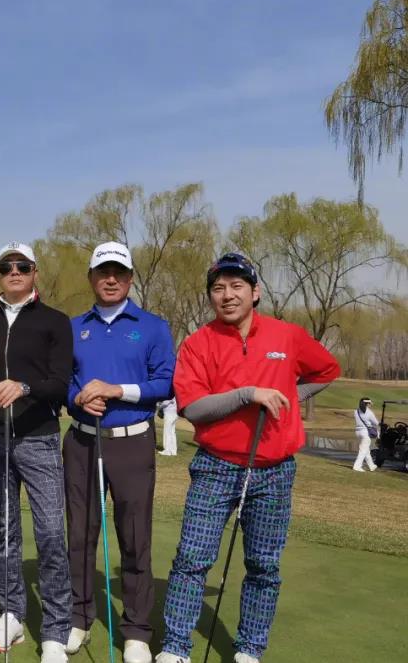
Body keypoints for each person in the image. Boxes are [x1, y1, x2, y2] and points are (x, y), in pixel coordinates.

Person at [155, 253, 340, 663]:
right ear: (210, 296)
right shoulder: (198, 343)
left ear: (254, 292)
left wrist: (289, 396)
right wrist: (248, 395)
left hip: (274, 470)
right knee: (192, 559)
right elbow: (193, 407)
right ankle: (175, 647)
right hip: (216, 466)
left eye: (237, 286)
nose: (227, 295)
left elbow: (327, 371)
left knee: (263, 565)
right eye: (218, 288)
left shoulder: (286, 336)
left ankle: (250, 648)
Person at [64, 241, 175, 663]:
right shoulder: (74, 327)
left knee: (134, 537)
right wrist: (77, 398)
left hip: (132, 442)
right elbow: (62, 381)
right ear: (91, 277)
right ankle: (79, 617)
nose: (111, 279)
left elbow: (165, 383)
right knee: (80, 535)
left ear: (130, 278)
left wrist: (116, 390)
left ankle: (137, 631)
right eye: (103, 272)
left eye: (119, 273)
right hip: (81, 441)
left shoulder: (152, 327)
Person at [0, 243, 73, 663]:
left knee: (50, 533)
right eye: (6, 266)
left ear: (35, 272)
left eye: (22, 266)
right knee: (5, 532)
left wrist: (25, 387)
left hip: (39, 438)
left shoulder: (55, 321)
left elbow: (61, 382)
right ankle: (12, 614)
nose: (14, 271)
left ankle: (55, 629)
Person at [353, 397, 380, 472]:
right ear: (367, 404)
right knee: (363, 451)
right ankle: (357, 466)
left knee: (366, 450)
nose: (370, 404)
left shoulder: (356, 411)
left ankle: (372, 466)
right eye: (369, 403)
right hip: (365, 433)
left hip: (358, 432)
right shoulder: (369, 412)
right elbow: (376, 423)